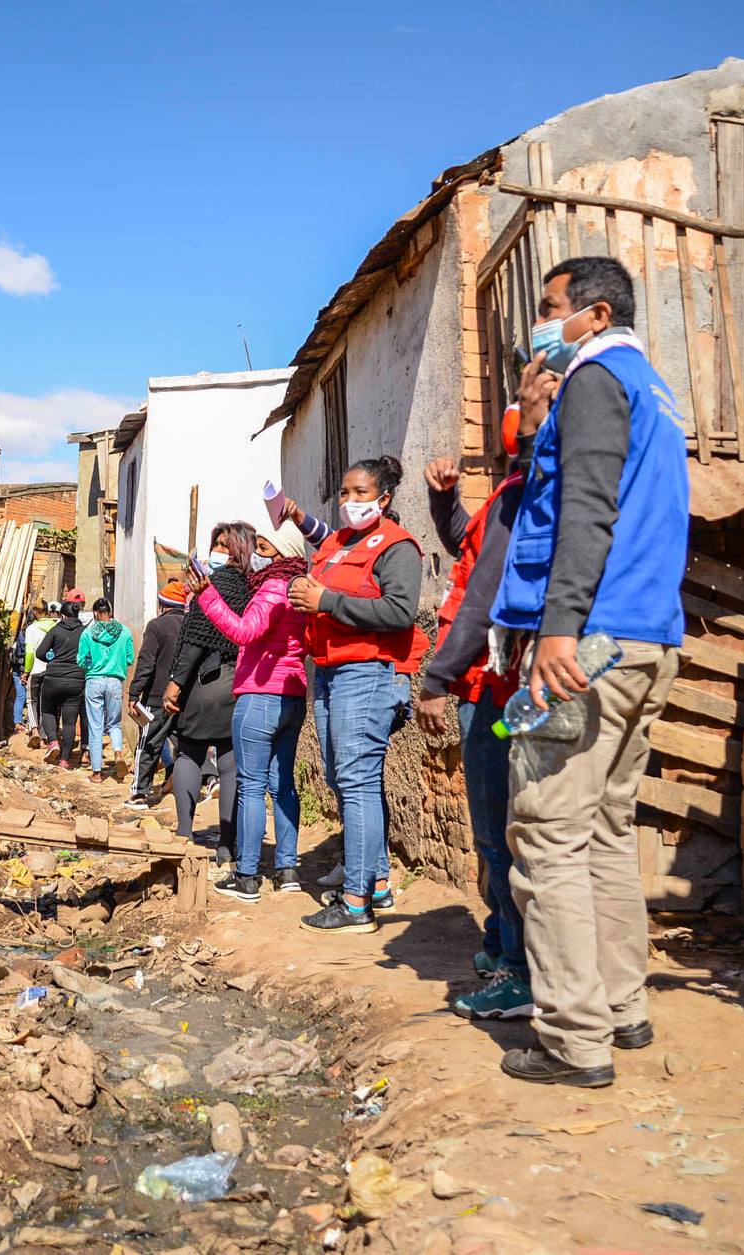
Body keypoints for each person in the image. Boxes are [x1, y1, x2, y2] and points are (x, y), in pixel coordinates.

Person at [487, 255, 688, 1088]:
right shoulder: (655, 392)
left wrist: (559, 629)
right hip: (647, 638)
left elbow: (586, 509)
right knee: (605, 827)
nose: (541, 324)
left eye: (550, 308)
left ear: (595, 315)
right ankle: (620, 1005)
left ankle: (574, 1036)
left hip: (591, 642)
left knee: (546, 833)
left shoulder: (599, 379)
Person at [416, 379, 553, 1019]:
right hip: (487, 687)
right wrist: (443, 501)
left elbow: (478, 601)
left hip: (491, 692)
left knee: (499, 832)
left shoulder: (522, 499)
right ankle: (502, 944)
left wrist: (437, 675)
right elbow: (465, 544)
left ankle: (519, 970)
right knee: (497, 829)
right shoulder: (507, 500)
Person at [287, 456, 427, 934]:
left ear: (383, 498)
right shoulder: (341, 542)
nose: (349, 502)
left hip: (366, 673)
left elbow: (399, 611)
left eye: (360, 493)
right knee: (347, 780)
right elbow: (320, 545)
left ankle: (356, 904)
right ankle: (379, 882)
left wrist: (326, 601)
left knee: (358, 781)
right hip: (329, 672)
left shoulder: (398, 546)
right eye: (344, 493)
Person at [189, 516, 312, 900]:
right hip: (292, 694)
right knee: (284, 785)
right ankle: (287, 868)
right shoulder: (301, 591)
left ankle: (246, 875)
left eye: (263, 548)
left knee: (252, 785)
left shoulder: (272, 589)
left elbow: (244, 631)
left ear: (281, 553)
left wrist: (207, 596)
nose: (254, 555)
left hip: (259, 694)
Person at [164, 523, 250, 862]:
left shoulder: (209, 588)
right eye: (216, 543)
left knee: (189, 755)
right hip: (239, 684)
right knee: (231, 765)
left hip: (204, 684)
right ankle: (227, 846)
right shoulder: (251, 586)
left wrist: (176, 682)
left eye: (223, 545)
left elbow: (195, 643)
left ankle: (185, 834)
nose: (217, 550)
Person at [127, 582, 189, 807]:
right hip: (186, 697)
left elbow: (146, 662)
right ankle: (189, 786)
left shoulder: (157, 626)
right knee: (186, 743)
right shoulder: (192, 625)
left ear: (162, 604)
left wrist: (134, 693)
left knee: (149, 743)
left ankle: (139, 793)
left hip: (156, 697)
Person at [78, 597, 135, 782]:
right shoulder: (125, 632)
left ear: (95, 613)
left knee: (95, 727)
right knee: (115, 724)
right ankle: (118, 754)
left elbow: (81, 660)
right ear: (110, 612)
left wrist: (93, 664)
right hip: (115, 682)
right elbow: (129, 659)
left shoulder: (87, 633)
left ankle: (96, 772)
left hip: (94, 682)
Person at [35, 591, 89, 769]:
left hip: (53, 679)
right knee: (70, 722)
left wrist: (52, 659)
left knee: (48, 711)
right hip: (76, 680)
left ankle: (53, 742)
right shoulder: (84, 632)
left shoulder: (55, 630)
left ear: (63, 615)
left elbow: (40, 652)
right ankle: (65, 759)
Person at [23, 601, 57, 746]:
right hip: (51, 670)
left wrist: (26, 671)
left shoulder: (31, 628)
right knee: (46, 703)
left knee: (31, 700)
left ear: (36, 613)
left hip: (36, 669)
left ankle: (34, 730)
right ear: (48, 612)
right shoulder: (55, 627)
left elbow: (30, 653)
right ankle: (44, 737)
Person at [9, 600, 32, 732]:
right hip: (26, 670)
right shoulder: (32, 632)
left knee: (21, 696)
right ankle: (29, 723)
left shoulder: (21, 633)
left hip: (17, 669)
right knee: (30, 697)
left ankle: (17, 723)